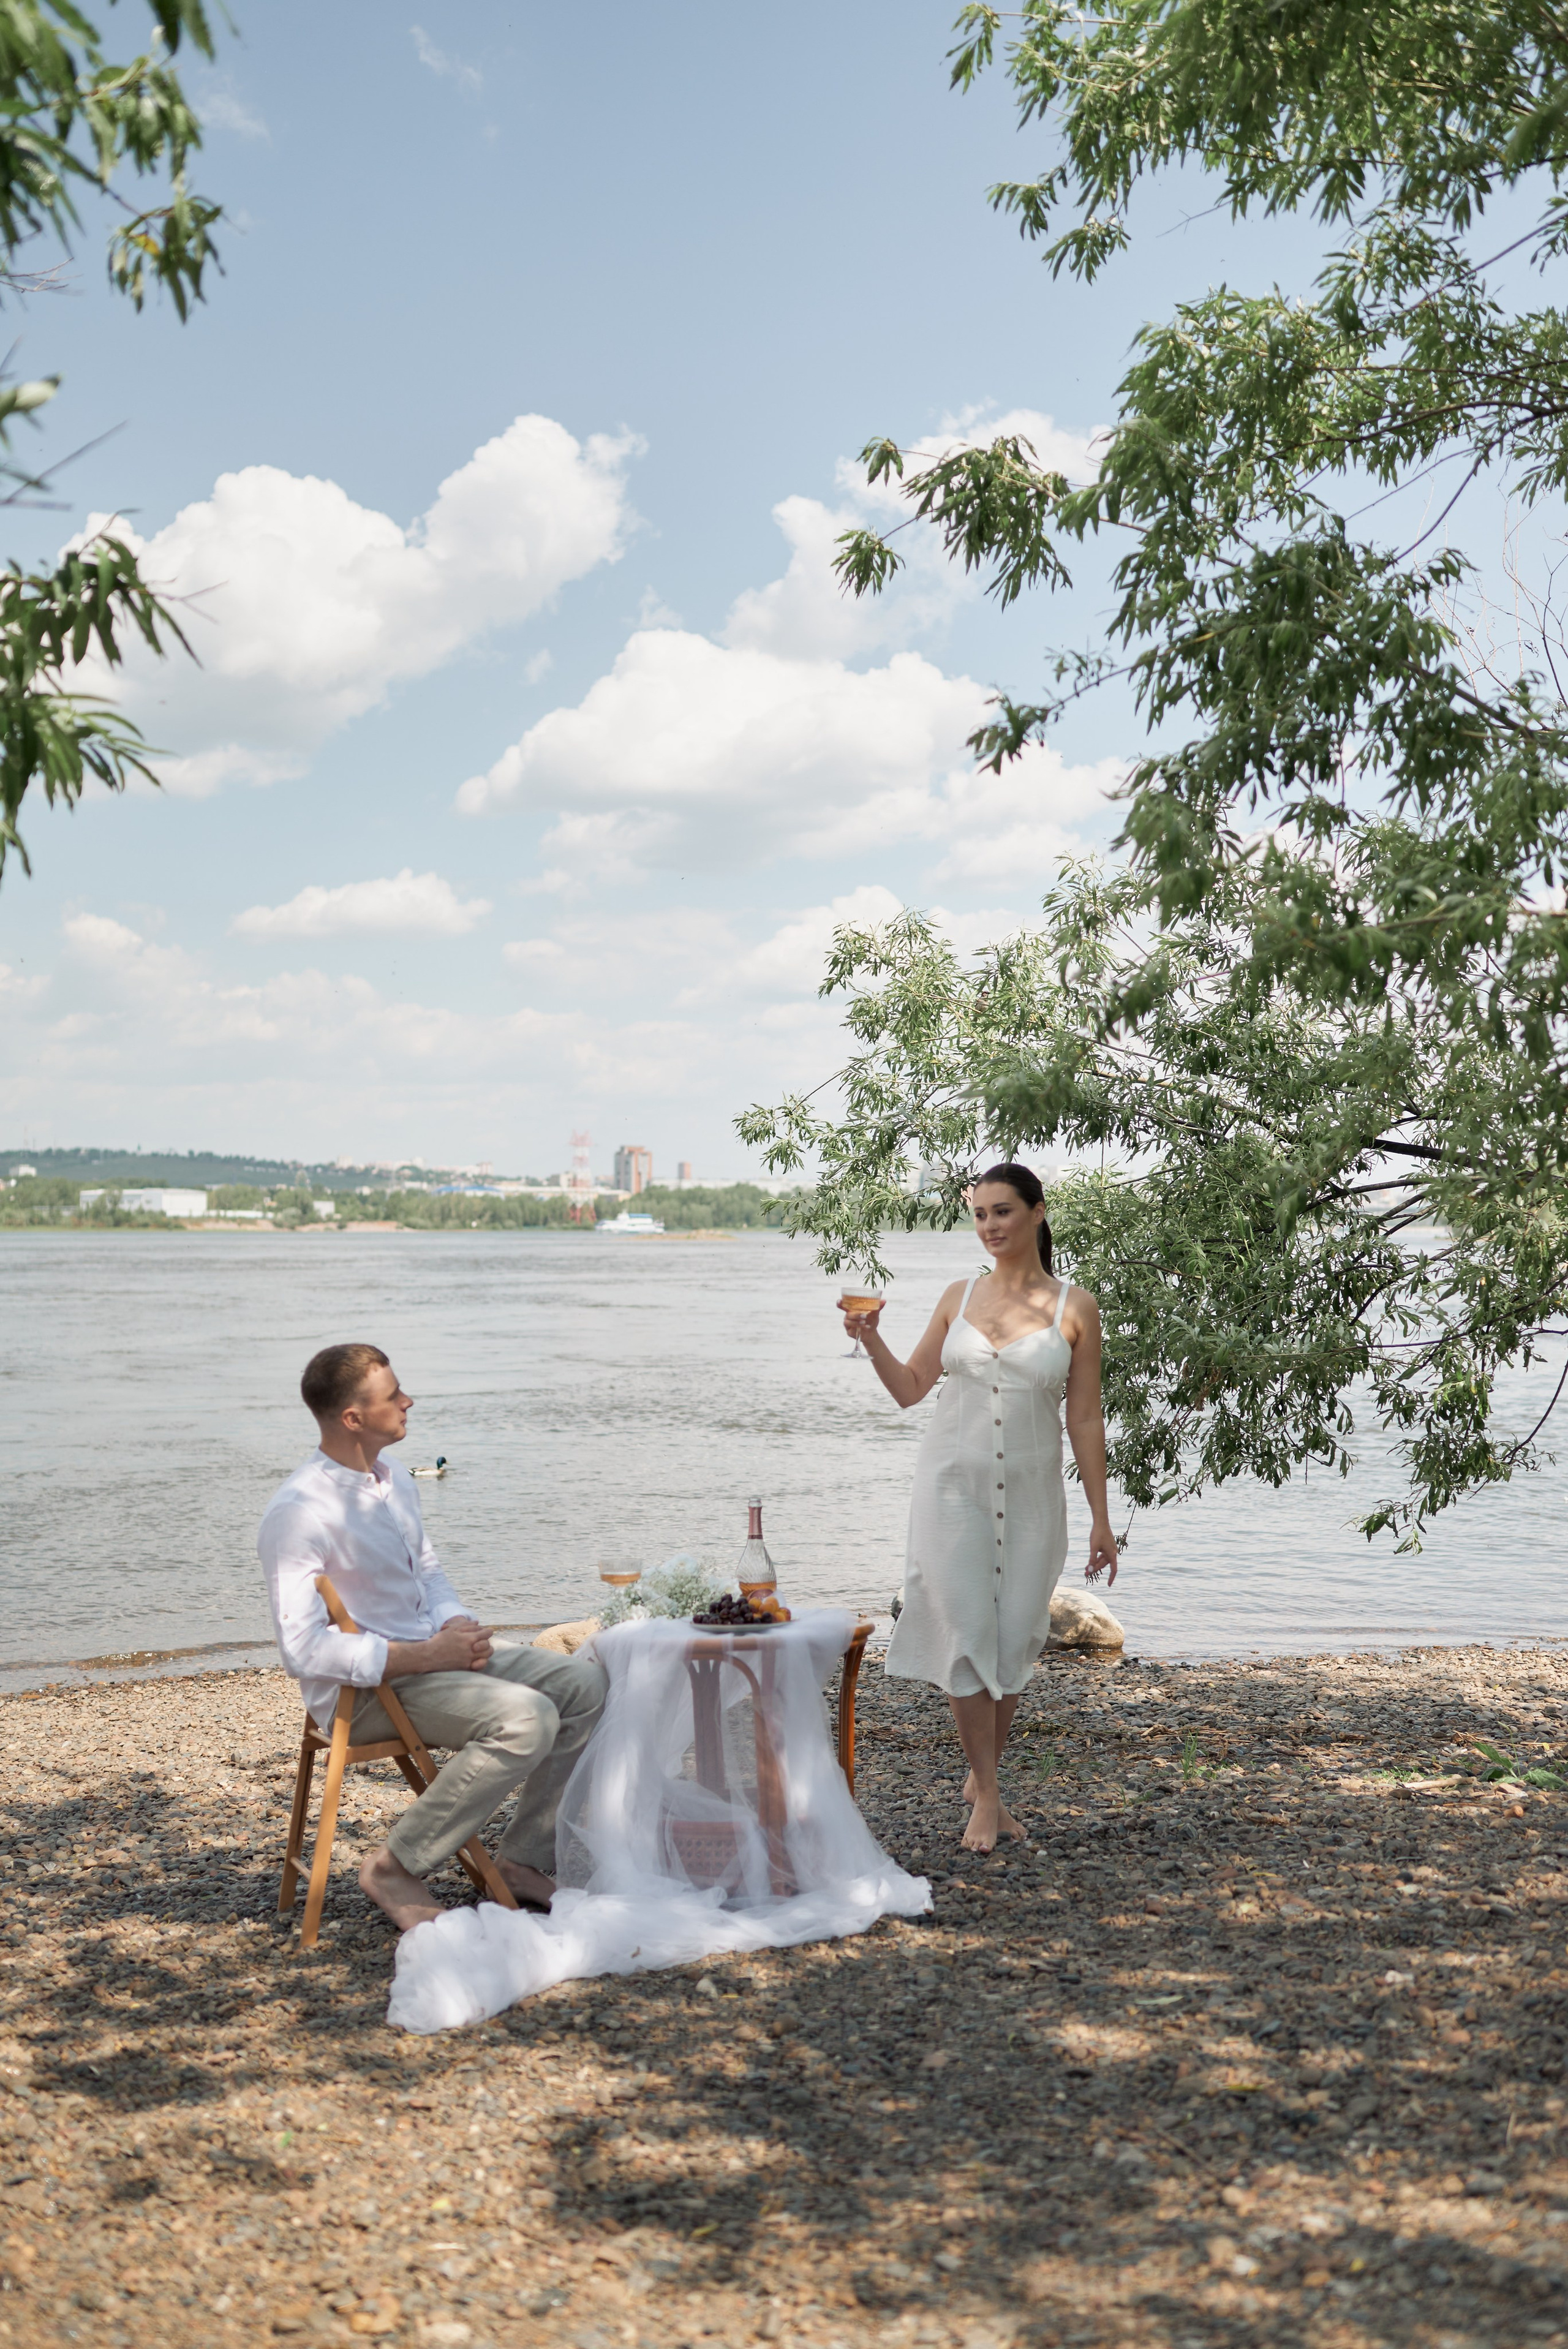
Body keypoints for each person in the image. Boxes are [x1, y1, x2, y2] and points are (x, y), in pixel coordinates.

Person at [258, 1342, 607, 1931]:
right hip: (366, 1693)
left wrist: (453, 1624)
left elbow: (428, 1573)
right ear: (353, 1418)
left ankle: (522, 1861)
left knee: (586, 1684)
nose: (408, 1400)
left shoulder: (395, 1482)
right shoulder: (298, 1510)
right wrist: (425, 1654)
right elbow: (302, 1651)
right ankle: (394, 1866)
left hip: (432, 1656)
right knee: (528, 1718)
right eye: (393, 1395)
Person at [843, 1164, 1118, 1854]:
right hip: (951, 1494)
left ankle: (981, 1779)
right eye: (979, 1215)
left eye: (1002, 1211)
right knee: (967, 1636)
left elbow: (1084, 1420)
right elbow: (910, 1388)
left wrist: (1101, 1518)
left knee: (1016, 1639)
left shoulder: (1074, 1308)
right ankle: (988, 1796)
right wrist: (870, 1338)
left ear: (1037, 1212)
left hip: (1032, 1500)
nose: (990, 1226)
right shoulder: (957, 1296)